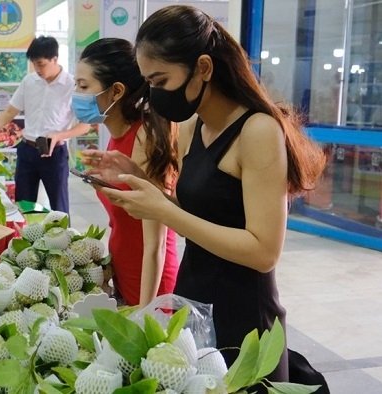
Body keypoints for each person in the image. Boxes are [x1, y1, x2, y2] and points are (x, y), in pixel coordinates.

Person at [84, 5, 325, 383]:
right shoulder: (194, 127)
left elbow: (263, 252)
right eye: (149, 82)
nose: (155, 95)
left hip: (244, 319)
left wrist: (164, 212)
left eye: (161, 81)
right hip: (194, 307)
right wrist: (141, 182)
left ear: (204, 68)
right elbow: (200, 217)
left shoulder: (257, 131)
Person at [72, 38, 178, 307]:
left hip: (150, 285)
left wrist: (147, 311)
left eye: (83, 86)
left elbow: (157, 243)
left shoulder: (144, 138)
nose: (76, 93)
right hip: (124, 272)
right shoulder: (114, 136)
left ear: (116, 91)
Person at [0, 36, 89, 213]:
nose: (37, 69)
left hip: (54, 154)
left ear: (54, 59)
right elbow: (10, 113)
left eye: (41, 64)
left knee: (59, 208)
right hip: (27, 151)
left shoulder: (72, 85)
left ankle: (64, 240)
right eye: (34, 64)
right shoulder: (29, 82)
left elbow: (85, 125)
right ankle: (22, 239)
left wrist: (59, 136)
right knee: (23, 206)